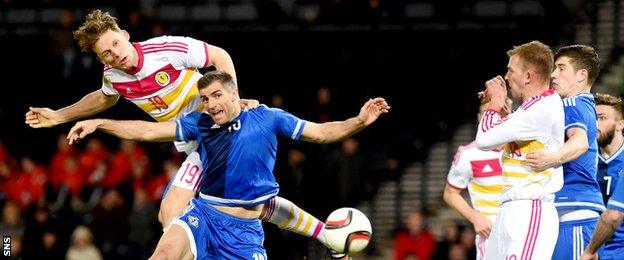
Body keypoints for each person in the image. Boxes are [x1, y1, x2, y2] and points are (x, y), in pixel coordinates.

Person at [24, 10, 334, 249]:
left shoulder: (166, 49)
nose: (115, 53)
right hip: (189, 142)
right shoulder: (114, 76)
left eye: (116, 44)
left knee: (170, 212)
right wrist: (58, 115)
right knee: (248, 203)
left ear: (126, 34)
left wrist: (232, 101)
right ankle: (325, 233)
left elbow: (218, 56)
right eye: (106, 53)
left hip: (216, 133)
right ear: (100, 58)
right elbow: (104, 98)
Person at [65, 70, 390, 258]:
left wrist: (359, 121)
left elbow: (320, 133)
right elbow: (150, 130)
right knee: (163, 254)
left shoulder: (268, 119)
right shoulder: (200, 124)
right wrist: (101, 123)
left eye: (218, 95)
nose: (212, 104)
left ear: (235, 94)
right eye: (206, 99)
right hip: (203, 216)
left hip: (244, 235)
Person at [475, 40, 564, 260]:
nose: (505, 77)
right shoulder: (530, 108)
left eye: (510, 70)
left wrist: (494, 105)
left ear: (528, 76)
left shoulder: (542, 108)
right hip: (509, 209)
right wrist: (504, 115)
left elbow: (484, 140)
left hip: (530, 209)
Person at [524, 45, 604, 259]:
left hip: (575, 214)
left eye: (561, 68)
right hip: (571, 213)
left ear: (581, 75)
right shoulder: (581, 105)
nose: (553, 74)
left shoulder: (572, 103)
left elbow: (580, 143)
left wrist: (550, 159)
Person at [443, 98, 509, 260]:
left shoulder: (523, 148)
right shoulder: (468, 154)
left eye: (499, 113)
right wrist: (475, 218)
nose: (493, 118)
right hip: (491, 237)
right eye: (488, 114)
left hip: (523, 230)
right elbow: (450, 193)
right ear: (480, 118)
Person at [580, 93, 624, 260]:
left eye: (602, 118)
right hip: (589, 243)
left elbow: (614, 215)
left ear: (620, 125)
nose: (595, 124)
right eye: (594, 119)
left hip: (619, 246)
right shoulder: (584, 158)